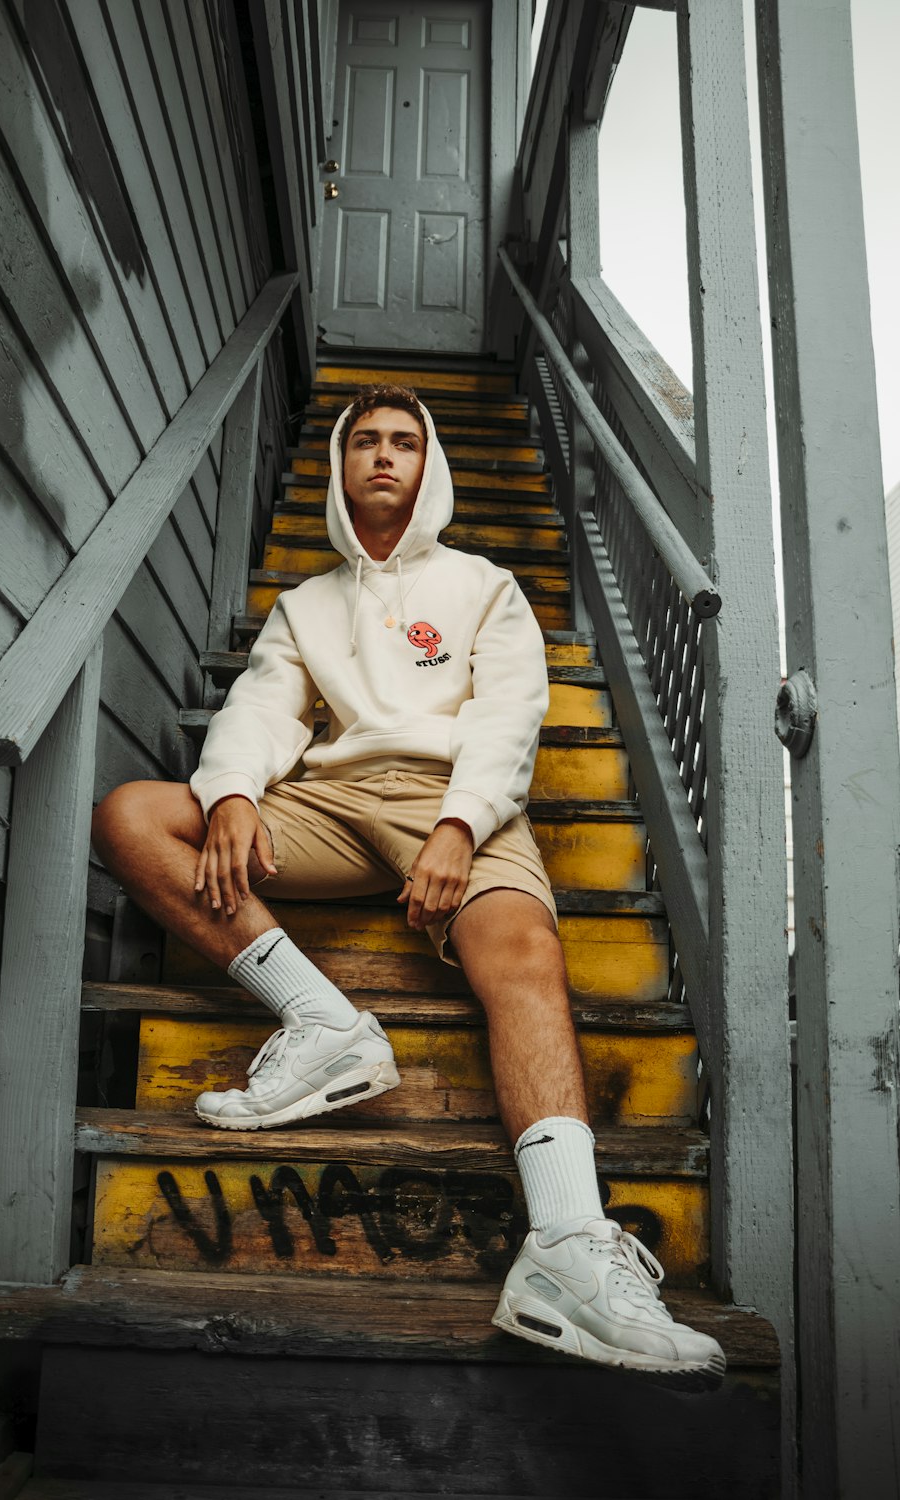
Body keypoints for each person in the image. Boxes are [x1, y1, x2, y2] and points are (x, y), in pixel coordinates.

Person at [92, 383, 725, 1384]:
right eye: (366, 442)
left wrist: (460, 825)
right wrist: (229, 795)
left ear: (431, 467)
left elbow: (510, 716)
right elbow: (262, 709)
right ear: (341, 467)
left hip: (458, 799)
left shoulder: (485, 584)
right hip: (334, 806)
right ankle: (326, 1026)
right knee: (132, 812)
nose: (385, 456)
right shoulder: (305, 604)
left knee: (523, 951)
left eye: (405, 442)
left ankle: (564, 1249)